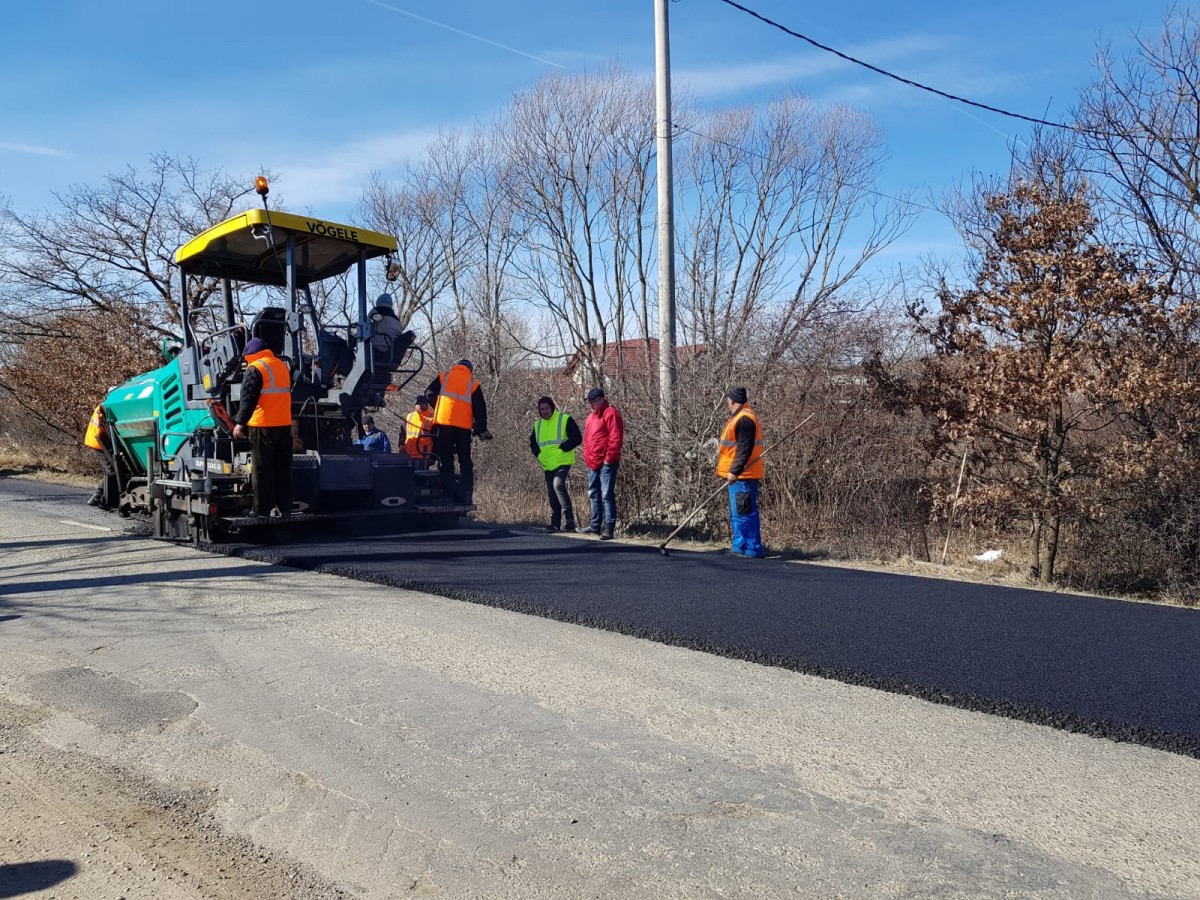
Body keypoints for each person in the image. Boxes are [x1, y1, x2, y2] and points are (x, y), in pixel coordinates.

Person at [232, 337, 294, 518]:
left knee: (262, 469)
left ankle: (262, 510)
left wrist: (239, 424)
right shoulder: (281, 365)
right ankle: (285, 508)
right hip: (284, 424)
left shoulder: (255, 368)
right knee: (282, 469)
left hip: (263, 425)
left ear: (250, 354)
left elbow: (248, 400)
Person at [427, 359, 491, 505]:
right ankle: (466, 495)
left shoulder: (444, 377)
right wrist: (481, 429)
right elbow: (480, 409)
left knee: (446, 461)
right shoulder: (473, 383)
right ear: (470, 370)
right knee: (465, 461)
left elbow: (429, 393)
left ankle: (448, 496)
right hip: (463, 428)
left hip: (444, 424)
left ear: (456, 366)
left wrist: (440, 408)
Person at [717, 386, 765, 558]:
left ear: (732, 401)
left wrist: (734, 471)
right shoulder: (739, 417)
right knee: (738, 512)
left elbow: (744, 449)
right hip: (739, 476)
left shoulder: (744, 419)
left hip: (743, 476)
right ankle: (739, 546)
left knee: (744, 513)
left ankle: (752, 548)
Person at [529, 396, 581, 533]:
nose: (544, 411)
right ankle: (555, 523)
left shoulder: (564, 419)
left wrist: (565, 447)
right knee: (552, 492)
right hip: (547, 463)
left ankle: (569, 520)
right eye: (541, 409)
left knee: (558, 485)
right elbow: (533, 443)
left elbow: (577, 437)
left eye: (546, 408)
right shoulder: (538, 424)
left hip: (563, 460)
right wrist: (538, 454)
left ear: (552, 407)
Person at [577, 387, 624, 540]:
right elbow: (587, 439)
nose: (592, 404)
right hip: (592, 461)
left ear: (602, 399)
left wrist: (608, 458)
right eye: (590, 401)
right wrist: (586, 456)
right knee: (593, 493)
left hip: (606, 462)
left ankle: (609, 527)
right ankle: (595, 524)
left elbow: (615, 438)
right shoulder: (591, 417)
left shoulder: (610, 413)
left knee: (606, 495)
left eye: (594, 401)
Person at [83, 403, 117, 510]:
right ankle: (99, 498)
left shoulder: (104, 406)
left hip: (98, 441)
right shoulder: (105, 409)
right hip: (100, 442)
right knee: (112, 470)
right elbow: (109, 431)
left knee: (112, 470)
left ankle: (101, 499)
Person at [369, 293, 405, 363]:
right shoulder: (396, 319)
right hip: (391, 352)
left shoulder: (376, 311)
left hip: (377, 350)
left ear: (378, 302)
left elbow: (365, 326)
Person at [404, 395, 435, 461]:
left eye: (423, 403)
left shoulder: (433, 418)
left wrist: (433, 457)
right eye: (418, 403)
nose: (420, 405)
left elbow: (436, 439)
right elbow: (403, 433)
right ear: (415, 405)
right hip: (408, 456)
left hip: (423, 457)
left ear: (427, 404)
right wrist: (401, 445)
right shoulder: (409, 416)